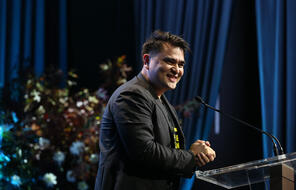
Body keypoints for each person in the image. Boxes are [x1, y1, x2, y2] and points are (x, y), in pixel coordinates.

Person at [94, 30, 216, 190]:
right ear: (147, 61)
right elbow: (144, 151)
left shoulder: (160, 99)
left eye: (181, 64)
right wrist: (191, 155)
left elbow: (167, 149)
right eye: (170, 62)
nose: (177, 70)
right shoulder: (132, 95)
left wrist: (196, 153)